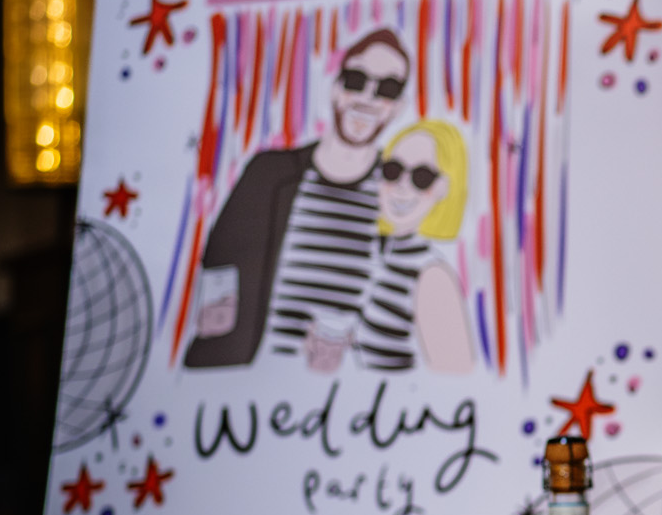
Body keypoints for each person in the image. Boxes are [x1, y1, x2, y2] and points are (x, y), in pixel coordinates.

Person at [183, 29, 410, 369]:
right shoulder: (268, 173)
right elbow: (219, 265)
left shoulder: (396, 195)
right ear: (335, 88)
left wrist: (352, 352)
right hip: (240, 389)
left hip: (340, 403)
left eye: (387, 89)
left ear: (397, 108)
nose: (368, 97)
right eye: (356, 80)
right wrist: (215, 321)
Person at [360, 119, 476, 373]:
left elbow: (453, 377)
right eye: (392, 170)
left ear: (444, 188)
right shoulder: (379, 254)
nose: (402, 186)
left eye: (422, 177)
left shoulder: (432, 276)